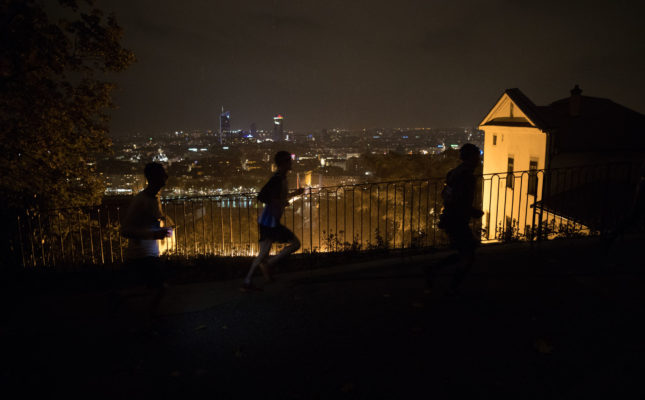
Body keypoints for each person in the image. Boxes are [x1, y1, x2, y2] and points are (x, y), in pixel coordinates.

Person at [113, 162, 173, 320]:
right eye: (162, 173)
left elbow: (152, 221)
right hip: (141, 255)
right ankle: (142, 317)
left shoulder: (154, 198)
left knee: (156, 288)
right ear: (153, 177)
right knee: (159, 288)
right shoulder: (141, 200)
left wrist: (163, 228)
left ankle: (140, 316)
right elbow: (125, 230)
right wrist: (154, 235)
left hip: (149, 253)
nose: (166, 177)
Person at [424, 143, 483, 294]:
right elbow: (460, 200)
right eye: (477, 157)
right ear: (471, 158)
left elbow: (449, 195)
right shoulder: (467, 177)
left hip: (451, 217)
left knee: (465, 251)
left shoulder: (455, 173)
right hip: (457, 219)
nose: (479, 161)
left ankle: (435, 271)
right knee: (468, 253)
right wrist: (473, 211)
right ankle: (450, 284)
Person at [241, 151, 304, 292]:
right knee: (295, 244)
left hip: (268, 220)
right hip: (270, 221)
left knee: (263, 253)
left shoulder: (280, 179)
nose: (291, 164)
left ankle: (247, 281)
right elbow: (263, 196)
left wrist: (294, 195)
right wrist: (279, 202)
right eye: (289, 161)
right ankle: (269, 264)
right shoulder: (277, 179)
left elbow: (276, 197)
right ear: (284, 164)